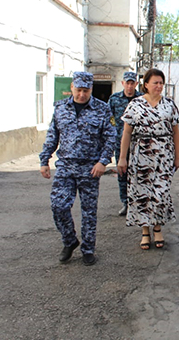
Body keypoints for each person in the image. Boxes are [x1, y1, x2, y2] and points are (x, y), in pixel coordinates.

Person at [40, 71, 116, 266]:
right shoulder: (60, 109)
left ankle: (88, 249)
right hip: (65, 166)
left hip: (90, 168)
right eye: (79, 90)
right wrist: (44, 160)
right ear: (72, 87)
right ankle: (70, 240)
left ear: (91, 89)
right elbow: (52, 136)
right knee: (59, 206)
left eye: (86, 90)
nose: (82, 94)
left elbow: (110, 137)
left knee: (89, 212)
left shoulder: (102, 109)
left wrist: (103, 162)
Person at [117, 68, 179, 250]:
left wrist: (178, 156)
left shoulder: (169, 105)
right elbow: (127, 132)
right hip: (141, 154)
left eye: (161, 83)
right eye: (155, 82)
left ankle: (158, 227)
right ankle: (145, 231)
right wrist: (123, 158)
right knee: (142, 193)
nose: (159, 86)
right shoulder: (135, 105)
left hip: (163, 154)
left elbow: (175, 132)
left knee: (161, 193)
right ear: (146, 85)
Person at [108, 71, 143, 216]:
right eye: (127, 83)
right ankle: (126, 203)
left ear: (136, 84)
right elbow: (108, 119)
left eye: (132, 83)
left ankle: (139, 203)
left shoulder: (142, 99)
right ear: (123, 83)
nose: (129, 86)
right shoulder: (114, 99)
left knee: (140, 173)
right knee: (122, 173)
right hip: (120, 142)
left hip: (139, 143)